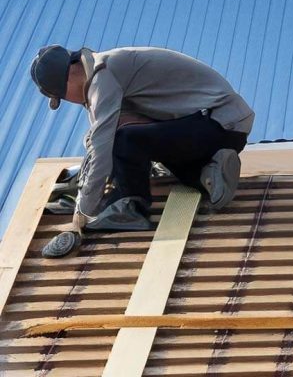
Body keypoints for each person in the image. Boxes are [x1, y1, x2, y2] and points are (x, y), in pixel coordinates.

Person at [30, 45, 254, 257]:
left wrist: (82, 214)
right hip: (214, 128)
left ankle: (129, 207)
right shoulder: (108, 71)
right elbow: (104, 135)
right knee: (133, 140)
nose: (69, 101)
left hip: (218, 121)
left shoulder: (103, 75)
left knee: (123, 140)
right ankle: (208, 173)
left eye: (62, 95)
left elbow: (103, 145)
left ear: (68, 77)